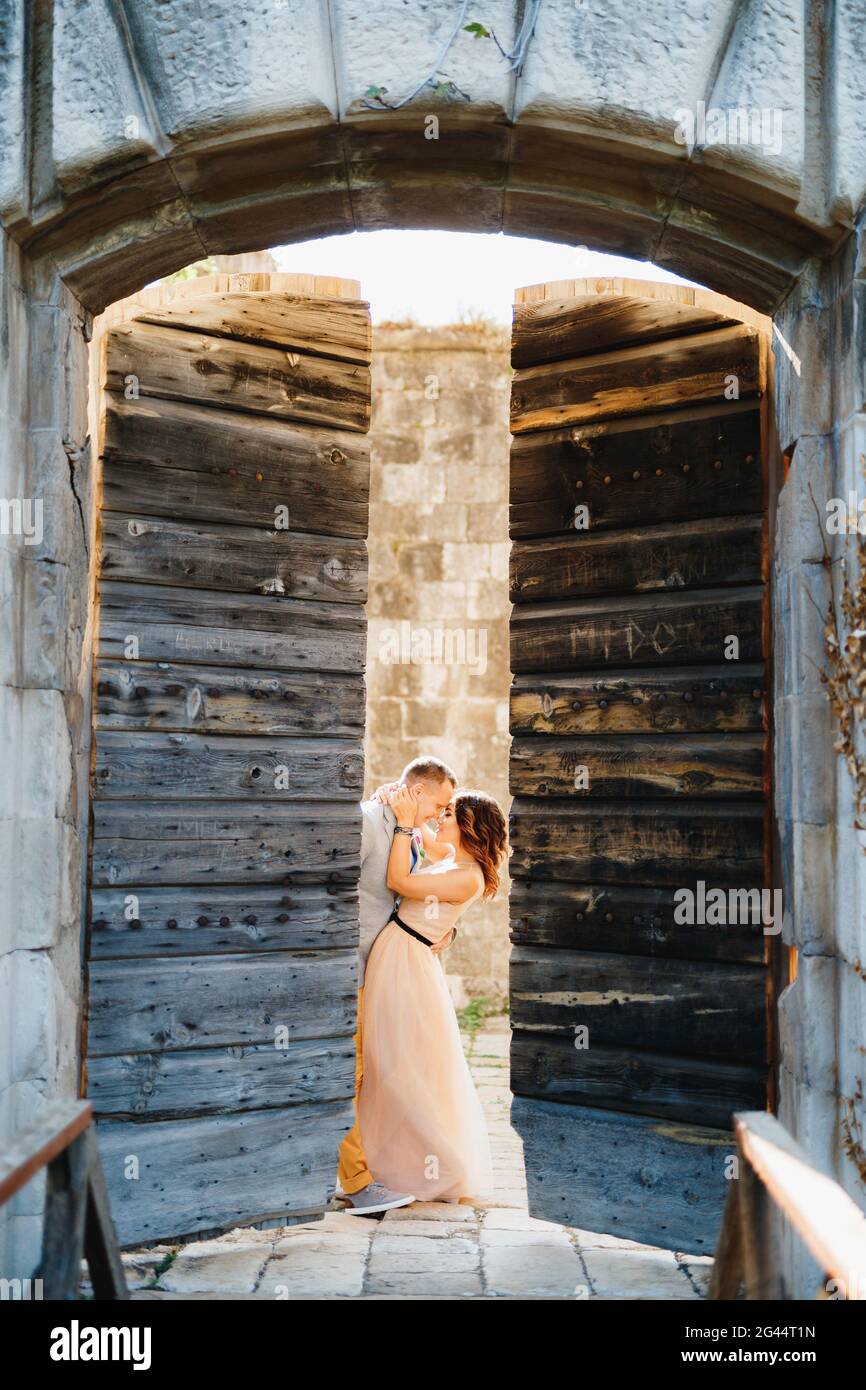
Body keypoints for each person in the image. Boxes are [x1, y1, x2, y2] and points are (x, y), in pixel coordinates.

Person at [356, 785, 508, 1204]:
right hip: (398, 953)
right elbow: (419, 848)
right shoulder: (450, 860)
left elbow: (398, 879)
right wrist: (393, 799)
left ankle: (438, 1165)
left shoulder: (466, 875)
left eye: (449, 814)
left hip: (407, 963)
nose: (440, 819)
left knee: (399, 1064)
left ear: (469, 826)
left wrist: (406, 824)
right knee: (381, 1060)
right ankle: (376, 1162)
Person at [336, 756, 458, 1214]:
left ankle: (359, 1172)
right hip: (350, 971)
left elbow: (416, 892)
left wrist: (444, 930)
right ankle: (358, 1183)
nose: (441, 814)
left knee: (365, 1076)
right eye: (440, 803)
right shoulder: (369, 823)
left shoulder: (411, 834)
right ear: (418, 790)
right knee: (349, 1075)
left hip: (381, 974)